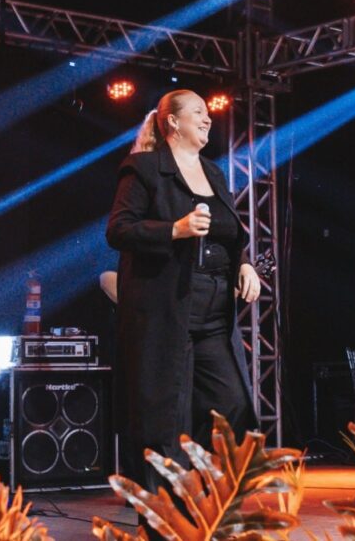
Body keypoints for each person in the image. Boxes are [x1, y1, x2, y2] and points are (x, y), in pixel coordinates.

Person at [106, 89, 261, 494]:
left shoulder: (213, 173)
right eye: (198, 112)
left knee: (232, 405)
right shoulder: (143, 168)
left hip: (213, 314)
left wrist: (244, 263)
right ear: (172, 122)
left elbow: (230, 234)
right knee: (165, 421)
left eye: (208, 113)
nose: (208, 119)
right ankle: (166, 514)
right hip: (166, 312)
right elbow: (118, 230)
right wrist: (174, 229)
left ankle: (202, 495)